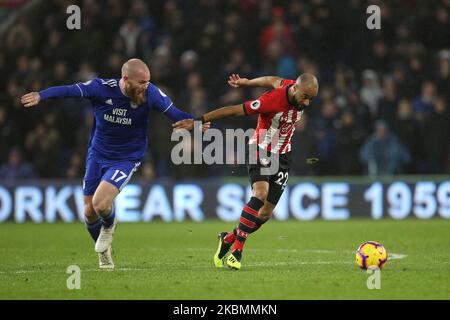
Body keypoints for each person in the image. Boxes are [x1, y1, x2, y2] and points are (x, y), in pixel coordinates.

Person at [20, 58, 208, 269]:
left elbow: (176, 114)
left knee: (100, 204)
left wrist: (198, 121)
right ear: (126, 79)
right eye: (142, 82)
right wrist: (40, 95)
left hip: (126, 158)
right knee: (89, 211)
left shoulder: (151, 94)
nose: (146, 86)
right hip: (97, 155)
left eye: (148, 82)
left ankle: (109, 225)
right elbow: (68, 90)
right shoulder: (100, 88)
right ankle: (105, 253)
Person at [173, 73, 319, 270]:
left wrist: (248, 82)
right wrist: (198, 121)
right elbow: (234, 110)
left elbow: (271, 79)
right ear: (295, 89)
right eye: (305, 97)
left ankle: (228, 239)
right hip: (259, 148)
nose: (307, 102)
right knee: (260, 194)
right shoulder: (272, 100)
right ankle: (237, 251)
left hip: (283, 156)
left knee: (265, 214)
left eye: (311, 98)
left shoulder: (290, 86)